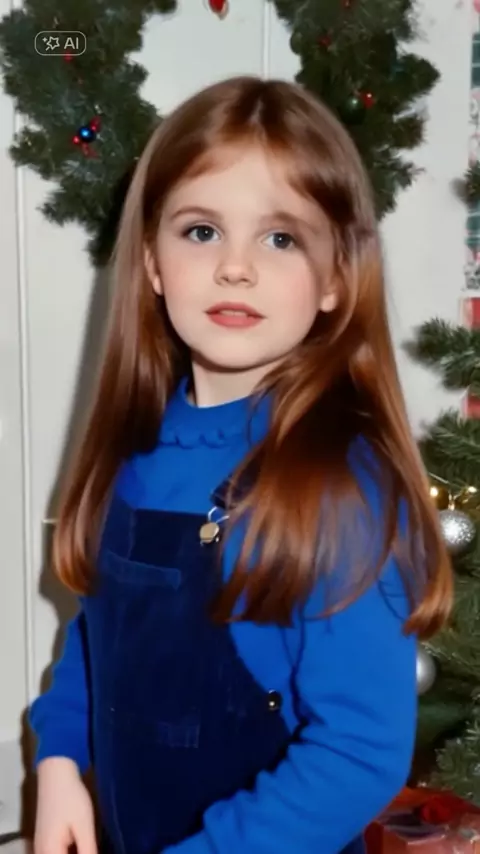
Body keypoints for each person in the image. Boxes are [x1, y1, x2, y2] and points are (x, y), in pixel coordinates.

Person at [30, 75, 453, 854]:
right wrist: (59, 759)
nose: (235, 267)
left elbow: (358, 753)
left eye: (280, 238)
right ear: (152, 261)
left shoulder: (341, 489)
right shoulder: (135, 448)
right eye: (201, 231)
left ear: (335, 279)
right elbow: (101, 636)